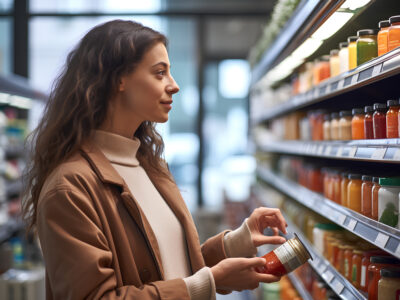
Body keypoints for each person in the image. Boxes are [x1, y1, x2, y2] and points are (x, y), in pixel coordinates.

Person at [23, 20, 288, 300]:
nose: (174, 86)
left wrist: (237, 241)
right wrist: (208, 282)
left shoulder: (150, 167)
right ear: (118, 80)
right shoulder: (70, 188)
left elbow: (172, 267)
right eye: (160, 73)